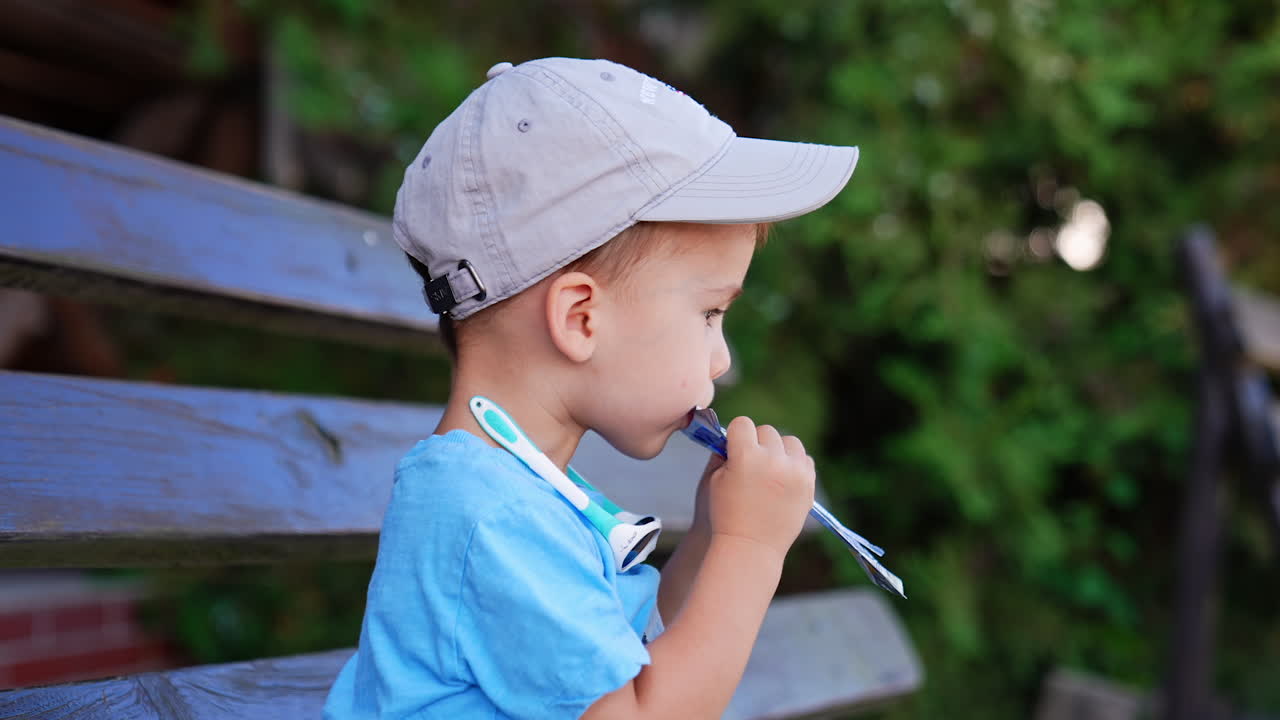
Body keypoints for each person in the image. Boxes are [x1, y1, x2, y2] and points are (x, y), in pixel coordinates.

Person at [322, 56, 859, 720]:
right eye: (710, 314)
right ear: (581, 318)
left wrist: (715, 539)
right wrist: (752, 552)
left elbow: (631, 661)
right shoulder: (491, 518)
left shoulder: (522, 494)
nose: (720, 359)